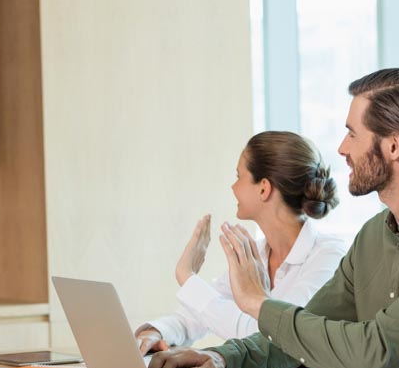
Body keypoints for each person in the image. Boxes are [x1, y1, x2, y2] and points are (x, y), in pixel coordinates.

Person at [148, 68, 399, 368]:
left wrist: (257, 302)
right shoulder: (373, 235)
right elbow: (308, 329)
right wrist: (225, 359)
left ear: (393, 146)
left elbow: (375, 354)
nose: (341, 148)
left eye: (352, 134)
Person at [135, 131, 348, 354]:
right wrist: (157, 332)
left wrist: (186, 276)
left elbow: (267, 336)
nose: (233, 187)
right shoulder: (256, 252)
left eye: (239, 176)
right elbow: (198, 315)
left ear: (264, 188)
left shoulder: (329, 258)